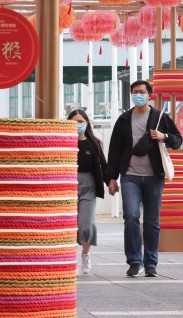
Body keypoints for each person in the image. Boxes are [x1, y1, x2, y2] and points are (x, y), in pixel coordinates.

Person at [105, 80, 182, 278]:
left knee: (152, 221)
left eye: (141, 92)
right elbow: (114, 151)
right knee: (131, 216)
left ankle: (150, 263)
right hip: (130, 176)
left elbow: (178, 140)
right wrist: (111, 178)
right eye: (134, 92)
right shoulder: (123, 119)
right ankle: (134, 260)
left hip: (154, 177)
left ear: (150, 95)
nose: (137, 95)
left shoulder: (160, 117)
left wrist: (163, 136)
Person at [68, 108, 108, 275]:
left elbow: (104, 166)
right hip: (67, 186)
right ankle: (70, 260)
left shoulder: (94, 144)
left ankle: (86, 255)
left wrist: (111, 182)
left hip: (88, 186)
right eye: (73, 122)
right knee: (68, 225)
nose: (78, 125)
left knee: (86, 223)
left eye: (81, 122)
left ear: (87, 123)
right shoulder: (63, 142)